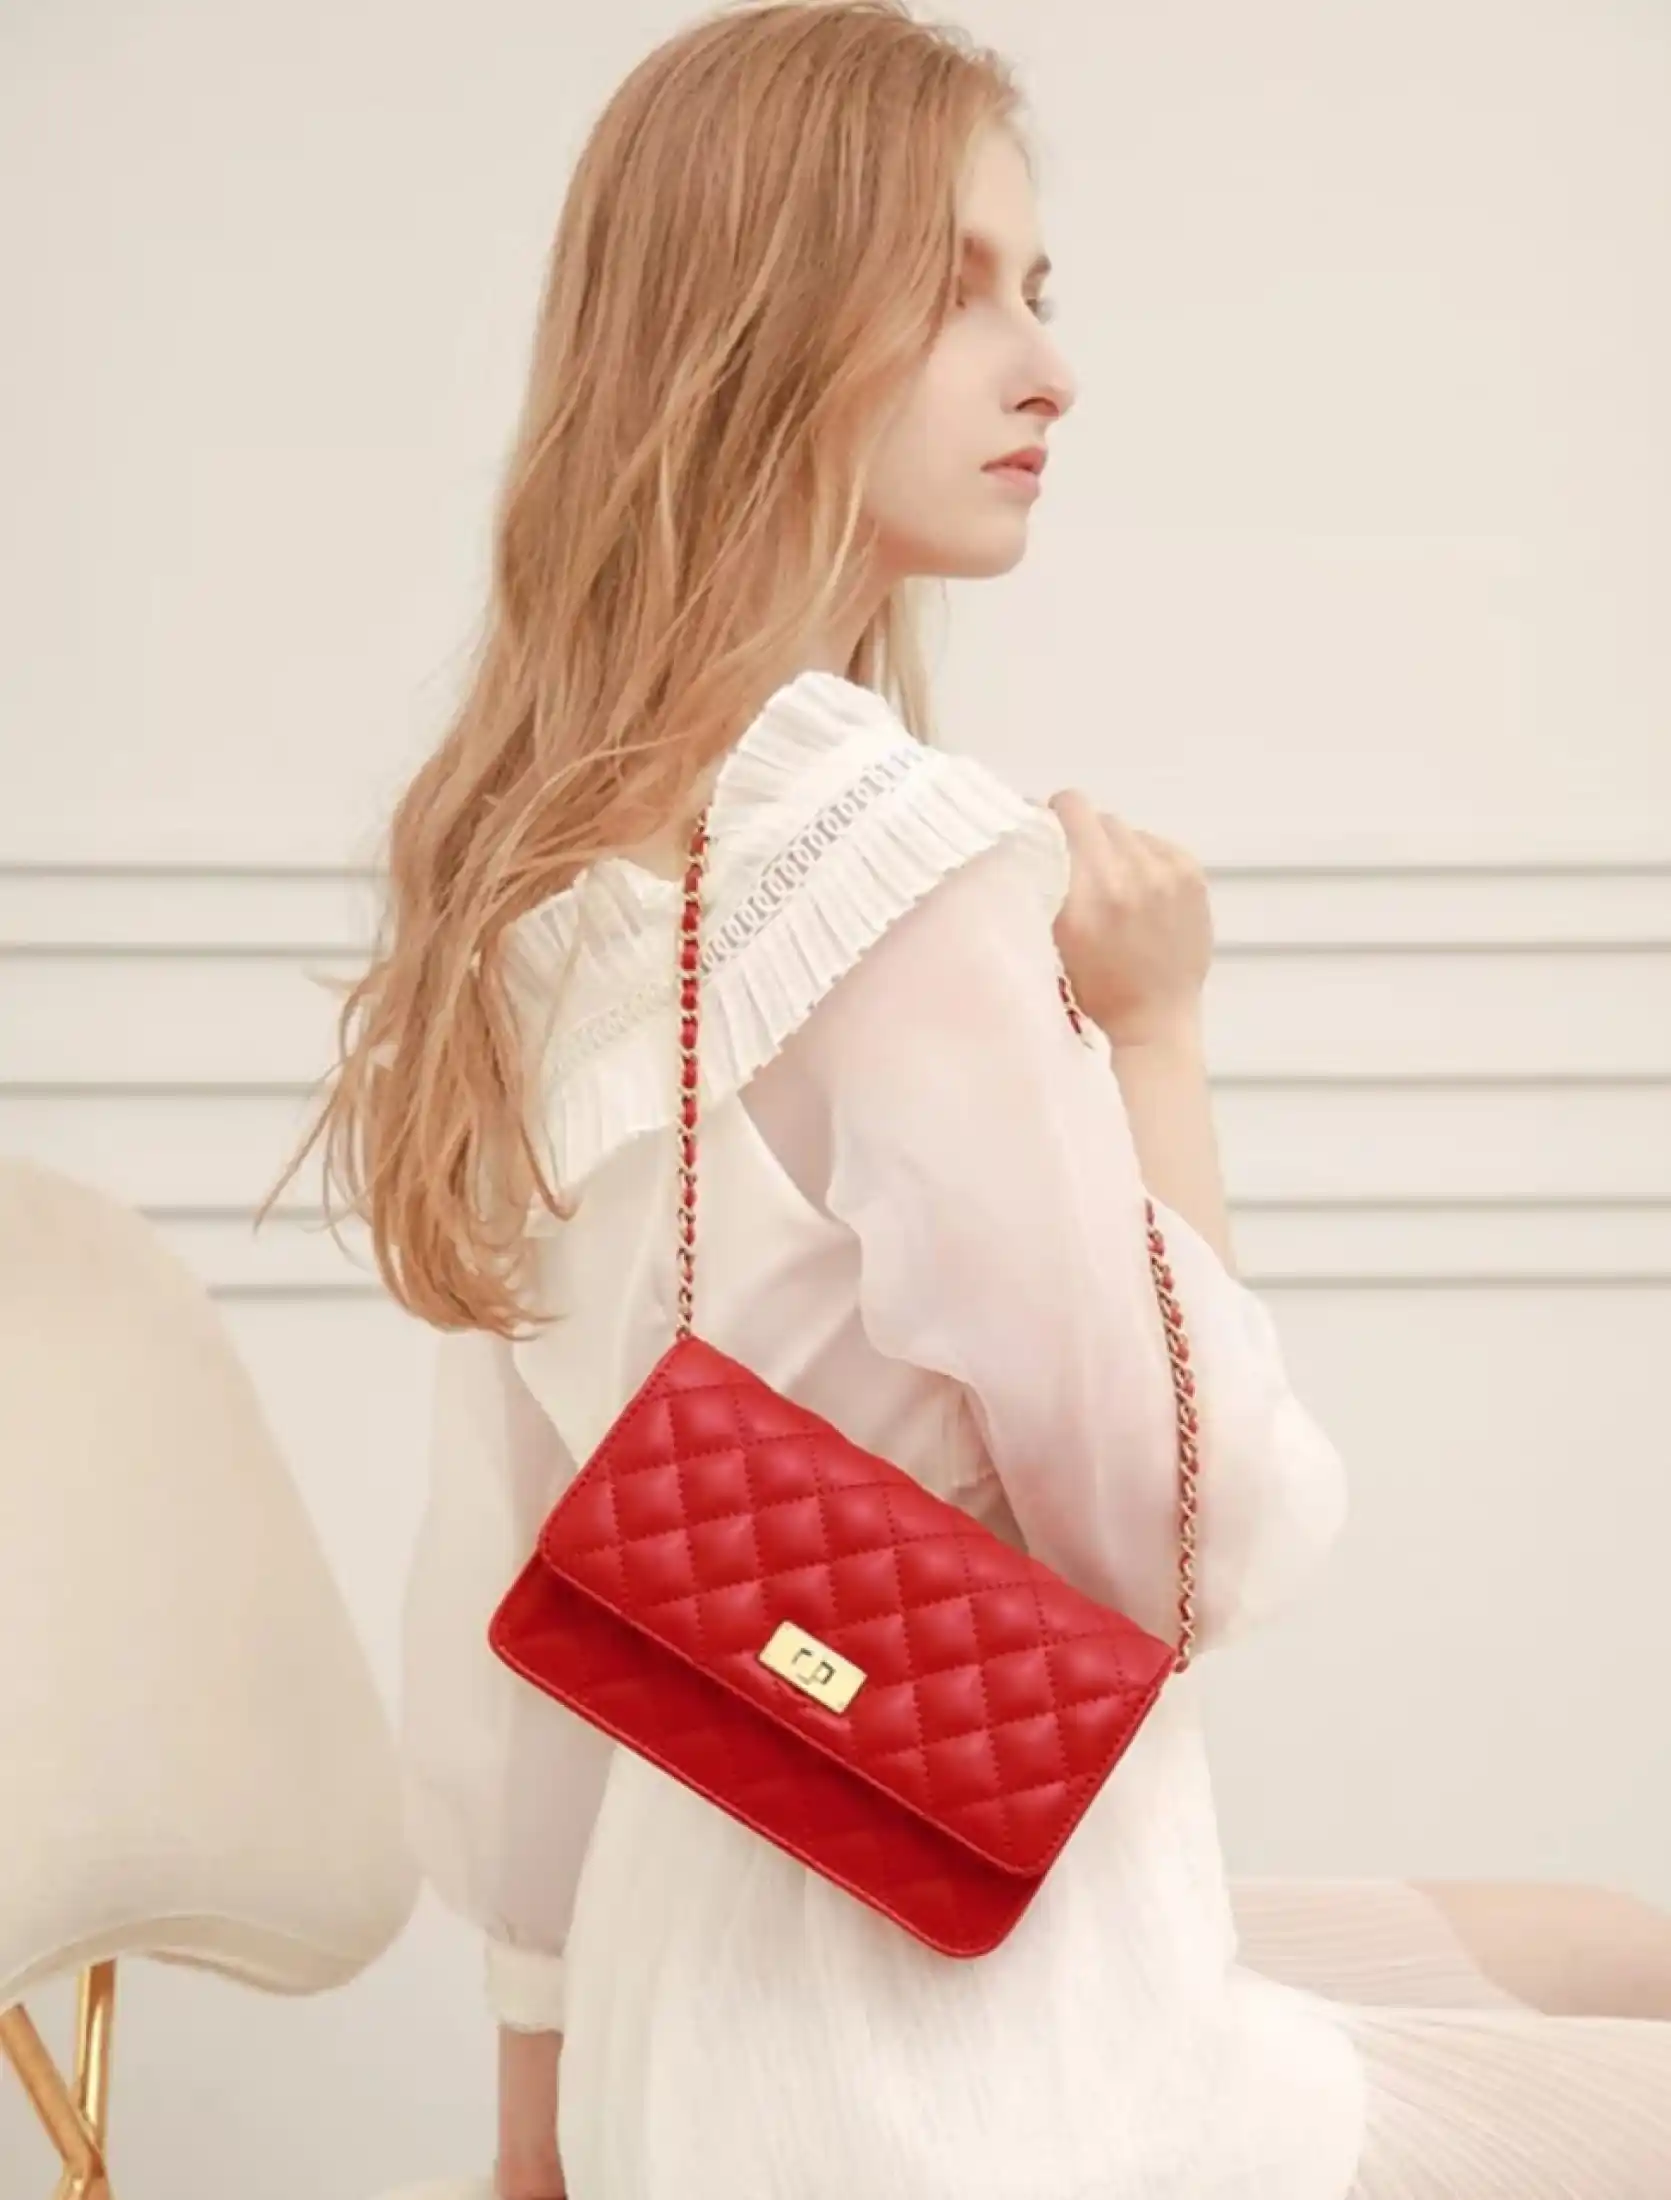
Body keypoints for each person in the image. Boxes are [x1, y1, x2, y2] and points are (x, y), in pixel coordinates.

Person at [267, 5, 1671, 2194]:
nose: (1049, 367)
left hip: (689, 2031)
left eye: (1039, 286)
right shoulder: (888, 852)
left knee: (1618, 1949)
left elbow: (513, 1589)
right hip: (971, 2063)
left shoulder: (520, 871)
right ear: (759, 331)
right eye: (959, 293)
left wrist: (537, 2133)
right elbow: (1186, 1537)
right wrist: (1157, 1035)